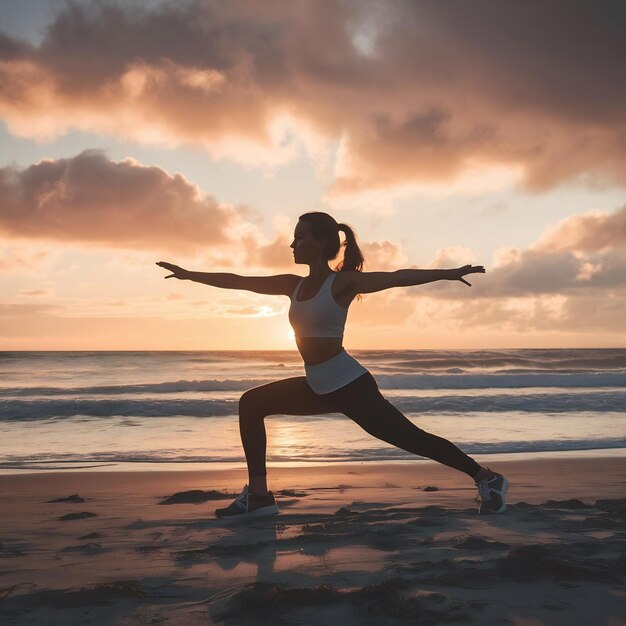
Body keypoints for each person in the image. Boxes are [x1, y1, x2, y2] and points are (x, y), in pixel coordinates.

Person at [156, 211, 508, 519]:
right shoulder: (291, 285)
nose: (292, 245)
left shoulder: (341, 282)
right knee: (251, 403)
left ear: (322, 242)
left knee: (410, 438)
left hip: (350, 385)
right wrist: (191, 275)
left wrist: (447, 273)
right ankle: (259, 497)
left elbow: (396, 276)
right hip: (318, 384)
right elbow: (240, 282)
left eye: (299, 237)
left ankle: (485, 477)